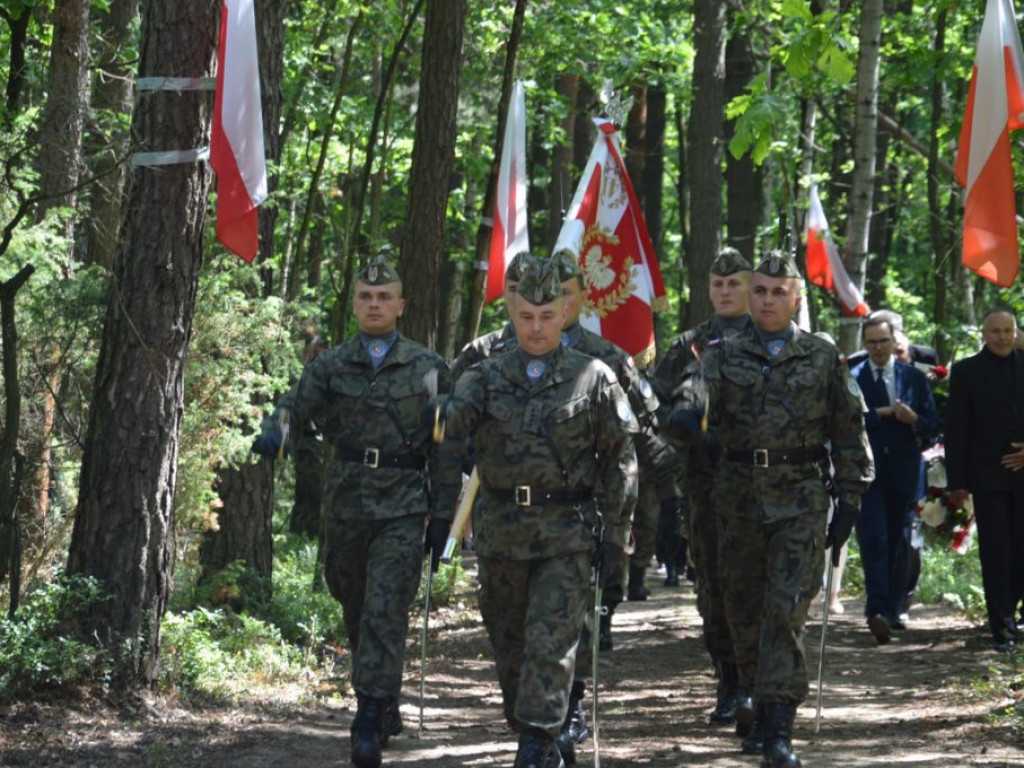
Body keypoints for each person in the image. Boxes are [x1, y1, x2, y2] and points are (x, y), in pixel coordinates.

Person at [667, 249, 873, 767]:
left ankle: (779, 721)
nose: (767, 300)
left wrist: (850, 495)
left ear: (797, 297)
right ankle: (755, 701)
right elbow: (692, 394)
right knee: (744, 612)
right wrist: (688, 417)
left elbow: (849, 430)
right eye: (758, 290)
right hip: (736, 500)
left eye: (779, 292)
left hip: (800, 499)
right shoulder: (721, 352)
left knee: (785, 610)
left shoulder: (823, 357)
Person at [254, 256, 459, 768]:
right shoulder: (331, 365)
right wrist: (278, 430)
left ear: (400, 305)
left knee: (385, 609)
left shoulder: (429, 368)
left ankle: (367, 717)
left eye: (384, 297)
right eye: (366, 297)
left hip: (403, 508)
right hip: (345, 506)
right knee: (354, 605)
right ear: (355, 303)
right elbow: (295, 404)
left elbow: (446, 446)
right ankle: (384, 697)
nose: (375, 305)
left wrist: (445, 514)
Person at [441, 258, 639, 768]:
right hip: (501, 534)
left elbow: (621, 459)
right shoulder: (484, 376)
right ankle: (538, 733)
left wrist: (615, 536)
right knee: (510, 648)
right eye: (526, 315)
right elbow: (451, 428)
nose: (536, 327)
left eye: (547, 316)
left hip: (565, 536)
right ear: (511, 310)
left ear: (565, 310)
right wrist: (434, 413)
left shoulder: (593, 377)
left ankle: (535, 746)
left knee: (550, 643)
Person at [652, 246, 753, 727]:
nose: (725, 292)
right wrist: (684, 429)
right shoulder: (688, 345)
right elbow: (653, 405)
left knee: (759, 587)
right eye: (718, 284)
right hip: (707, 489)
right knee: (714, 586)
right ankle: (729, 679)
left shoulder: (771, 337)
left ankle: (761, 685)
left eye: (734, 284)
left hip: (766, 490)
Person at [851, 316, 939, 643]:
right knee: (874, 539)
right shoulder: (853, 377)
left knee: (900, 543)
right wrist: (880, 415)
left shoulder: (913, 378)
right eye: (871, 342)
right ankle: (877, 610)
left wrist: (914, 418)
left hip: (904, 472)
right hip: (868, 473)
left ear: (894, 342)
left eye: (882, 342)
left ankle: (893, 607)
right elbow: (846, 419)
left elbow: (932, 424)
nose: (876, 348)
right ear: (865, 343)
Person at [945, 306, 1024, 652]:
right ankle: (1002, 627)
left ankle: (1015, 614)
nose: (1003, 337)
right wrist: (957, 481)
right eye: (996, 331)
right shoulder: (966, 371)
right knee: (996, 552)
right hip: (988, 477)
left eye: (1008, 330)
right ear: (984, 333)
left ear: (1017, 332)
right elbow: (957, 428)